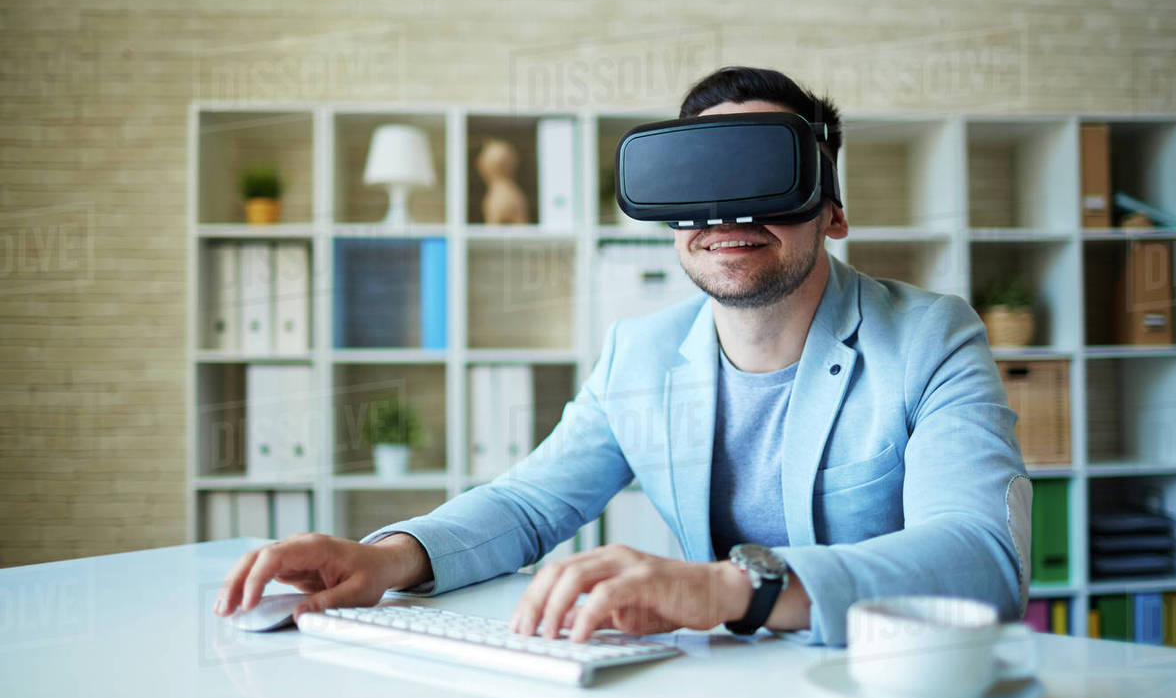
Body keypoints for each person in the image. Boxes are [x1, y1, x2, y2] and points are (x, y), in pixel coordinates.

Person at [214, 66, 1031, 647]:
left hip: (889, 690)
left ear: (833, 210)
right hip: (724, 690)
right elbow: (531, 505)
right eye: (701, 183)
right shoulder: (639, 356)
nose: (729, 212)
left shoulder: (931, 337)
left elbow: (982, 558)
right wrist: (388, 558)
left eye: (766, 176)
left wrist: (722, 588)